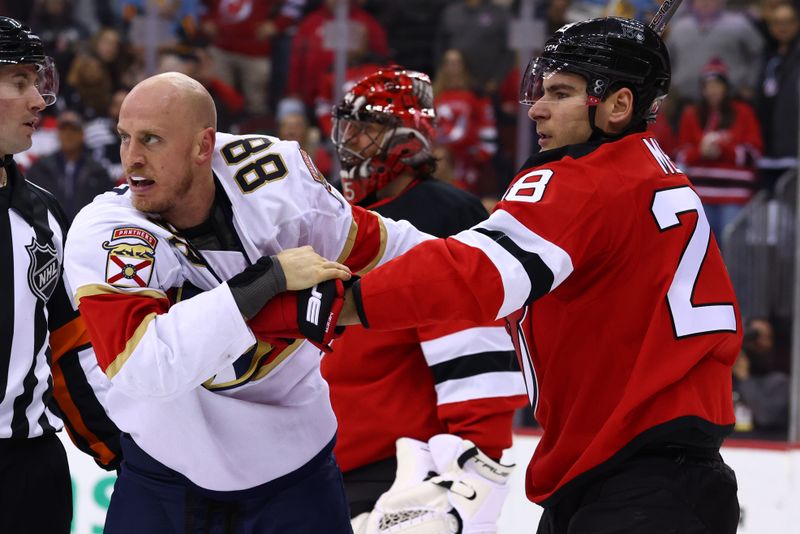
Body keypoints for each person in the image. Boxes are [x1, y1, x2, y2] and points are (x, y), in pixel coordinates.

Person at [337, 17, 742, 534]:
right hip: (640, 475)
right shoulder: (643, 168)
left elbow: (470, 274)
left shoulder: (583, 181)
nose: (538, 108)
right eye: (541, 90)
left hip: (638, 484)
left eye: (561, 93)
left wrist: (334, 303)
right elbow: (463, 258)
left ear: (618, 106)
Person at [62, 71, 433, 533]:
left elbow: (392, 248)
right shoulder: (109, 231)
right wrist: (268, 281)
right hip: (166, 473)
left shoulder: (275, 180)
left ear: (203, 146)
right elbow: (144, 364)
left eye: (151, 140)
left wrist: (499, 266)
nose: (131, 159)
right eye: (125, 138)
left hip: (295, 471)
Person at [323, 67, 527, 532]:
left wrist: (478, 467)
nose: (351, 139)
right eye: (347, 125)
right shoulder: (344, 215)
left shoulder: (445, 215)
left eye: (368, 127)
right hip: (334, 459)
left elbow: (477, 346)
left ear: (406, 137)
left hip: (405, 467)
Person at [0, 16, 121, 534]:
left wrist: (122, 454)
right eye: (19, 82)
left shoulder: (44, 216)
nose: (38, 101)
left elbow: (70, 350)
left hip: (30, 471)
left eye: (37, 82)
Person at [675, 57, 763, 242]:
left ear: (726, 86)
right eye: (708, 85)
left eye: (717, 84)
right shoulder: (691, 114)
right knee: (702, 248)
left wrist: (723, 149)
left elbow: (754, 154)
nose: (713, 90)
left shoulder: (743, 112)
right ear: (702, 88)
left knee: (732, 249)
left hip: (734, 196)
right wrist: (701, 151)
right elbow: (679, 156)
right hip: (700, 195)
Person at [26, 109, 113, 221]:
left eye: (73, 130)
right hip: (49, 231)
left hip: (85, 229)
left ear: (82, 134)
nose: (68, 135)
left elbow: (105, 208)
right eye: (64, 130)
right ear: (58, 134)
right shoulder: (39, 168)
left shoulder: (98, 171)